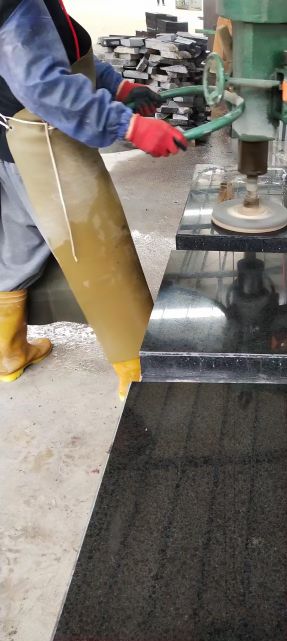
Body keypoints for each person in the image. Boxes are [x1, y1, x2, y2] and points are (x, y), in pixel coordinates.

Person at [0, 0, 188, 398]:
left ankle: (9, 353)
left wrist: (118, 86)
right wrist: (130, 126)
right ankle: (139, 375)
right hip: (43, 146)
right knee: (100, 252)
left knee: (16, 251)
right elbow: (45, 87)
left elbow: (60, 45)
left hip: (9, 146)